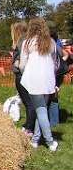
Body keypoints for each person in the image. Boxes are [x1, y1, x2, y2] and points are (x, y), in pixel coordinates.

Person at [19, 18, 58, 151]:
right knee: (41, 110)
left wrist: (23, 71)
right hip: (48, 80)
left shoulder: (27, 43)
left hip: (34, 80)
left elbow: (22, 65)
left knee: (41, 111)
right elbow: (55, 62)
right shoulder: (51, 42)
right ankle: (35, 140)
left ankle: (50, 142)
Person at [11, 22, 35, 136]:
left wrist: (16, 64)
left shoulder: (22, 42)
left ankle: (29, 128)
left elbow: (21, 61)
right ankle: (30, 125)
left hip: (22, 75)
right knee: (30, 102)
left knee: (29, 103)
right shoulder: (29, 40)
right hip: (29, 75)